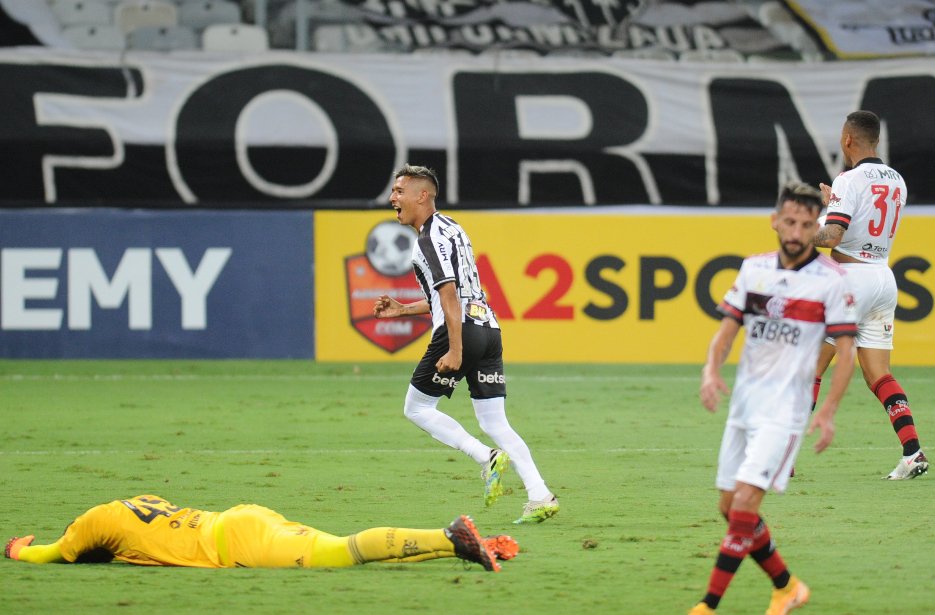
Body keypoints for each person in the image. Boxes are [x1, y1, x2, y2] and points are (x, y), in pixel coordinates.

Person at [689, 183, 857, 615]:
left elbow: (846, 353)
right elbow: (726, 332)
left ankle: (708, 605)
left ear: (816, 226)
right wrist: (711, 370)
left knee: (745, 502)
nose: (796, 231)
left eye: (806, 224)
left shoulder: (831, 282)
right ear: (775, 221)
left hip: (786, 411)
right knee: (729, 509)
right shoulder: (753, 270)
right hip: (744, 404)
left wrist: (828, 411)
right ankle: (786, 586)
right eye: (790, 222)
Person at [372, 164, 558, 525]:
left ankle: (484, 457)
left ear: (422, 195)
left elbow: (448, 295)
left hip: (461, 332)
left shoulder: (426, 240)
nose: (392, 198)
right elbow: (452, 292)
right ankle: (540, 495)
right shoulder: (453, 228)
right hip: (489, 329)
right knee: (495, 420)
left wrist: (455, 349)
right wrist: (403, 309)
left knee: (417, 408)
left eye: (399, 191)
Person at [812, 110, 929, 480]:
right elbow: (863, 221)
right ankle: (913, 452)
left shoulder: (848, 178)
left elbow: (832, 237)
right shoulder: (897, 181)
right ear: (875, 139)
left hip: (849, 280)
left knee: (810, 369)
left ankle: (781, 457)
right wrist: (835, 206)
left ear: (847, 139)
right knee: (879, 374)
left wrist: (798, 233)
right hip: (882, 277)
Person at [4, 494, 519, 571]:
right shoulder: (130, 505)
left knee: (340, 552)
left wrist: (17, 550)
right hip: (244, 518)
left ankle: (450, 534)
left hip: (240, 543)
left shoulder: (92, 523)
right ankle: (461, 547)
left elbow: (52, 553)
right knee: (342, 553)